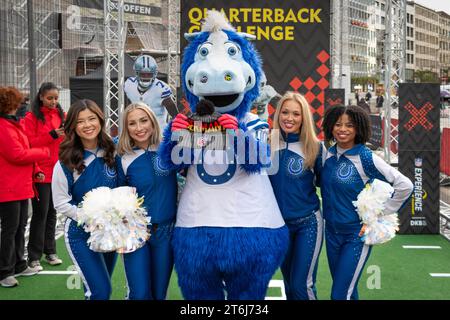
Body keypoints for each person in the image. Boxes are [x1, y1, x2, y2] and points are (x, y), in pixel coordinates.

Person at [320, 105, 413, 300]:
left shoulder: (366, 157)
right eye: (338, 124)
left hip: (356, 236)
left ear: (359, 128)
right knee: (347, 290)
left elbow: (405, 185)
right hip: (331, 235)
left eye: (349, 125)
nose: (343, 129)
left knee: (339, 295)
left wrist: (379, 212)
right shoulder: (328, 154)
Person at [51, 99, 118, 299]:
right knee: (101, 291)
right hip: (81, 233)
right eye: (80, 121)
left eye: (92, 119)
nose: (87, 125)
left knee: (96, 290)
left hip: (110, 231)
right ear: (72, 126)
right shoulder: (65, 161)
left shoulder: (114, 150)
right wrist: (92, 218)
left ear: (100, 120)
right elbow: (61, 202)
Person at [116, 102, 177, 300]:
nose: (139, 128)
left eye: (144, 121)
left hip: (166, 232)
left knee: (160, 294)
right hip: (135, 233)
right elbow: (116, 196)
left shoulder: (169, 149)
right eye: (132, 123)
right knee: (140, 293)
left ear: (153, 122)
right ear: (126, 128)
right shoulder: (122, 157)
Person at [269, 92, 323, 300]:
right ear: (278, 114)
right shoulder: (268, 143)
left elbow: (328, 185)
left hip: (307, 224)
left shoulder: (315, 147)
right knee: (289, 285)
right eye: (285, 112)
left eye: (296, 114)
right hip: (280, 227)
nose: (289, 118)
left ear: (304, 118)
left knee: (302, 286)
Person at [0, 86, 50, 288]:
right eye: (19, 102)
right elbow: (17, 154)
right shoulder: (3, 127)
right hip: (8, 187)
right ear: (9, 105)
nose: (22, 105)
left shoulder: (14, 124)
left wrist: (35, 168)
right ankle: (4, 271)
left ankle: (19, 264)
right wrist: (44, 152)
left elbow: (24, 150)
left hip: (21, 185)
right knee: (10, 229)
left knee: (20, 226)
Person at [24, 82, 65, 271]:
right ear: (41, 96)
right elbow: (29, 143)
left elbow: (63, 140)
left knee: (52, 213)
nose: (53, 102)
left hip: (58, 170)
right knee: (40, 213)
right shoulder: (31, 118)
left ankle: (50, 252)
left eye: (56, 98)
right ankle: (33, 257)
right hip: (40, 171)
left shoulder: (60, 115)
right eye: (50, 98)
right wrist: (51, 135)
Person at [124, 54, 181, 129]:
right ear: (136, 73)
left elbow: (174, 115)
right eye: (143, 74)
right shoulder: (129, 84)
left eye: (149, 74)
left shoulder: (161, 88)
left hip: (158, 133)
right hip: (138, 131)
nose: (146, 77)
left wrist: (176, 133)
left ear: (155, 74)